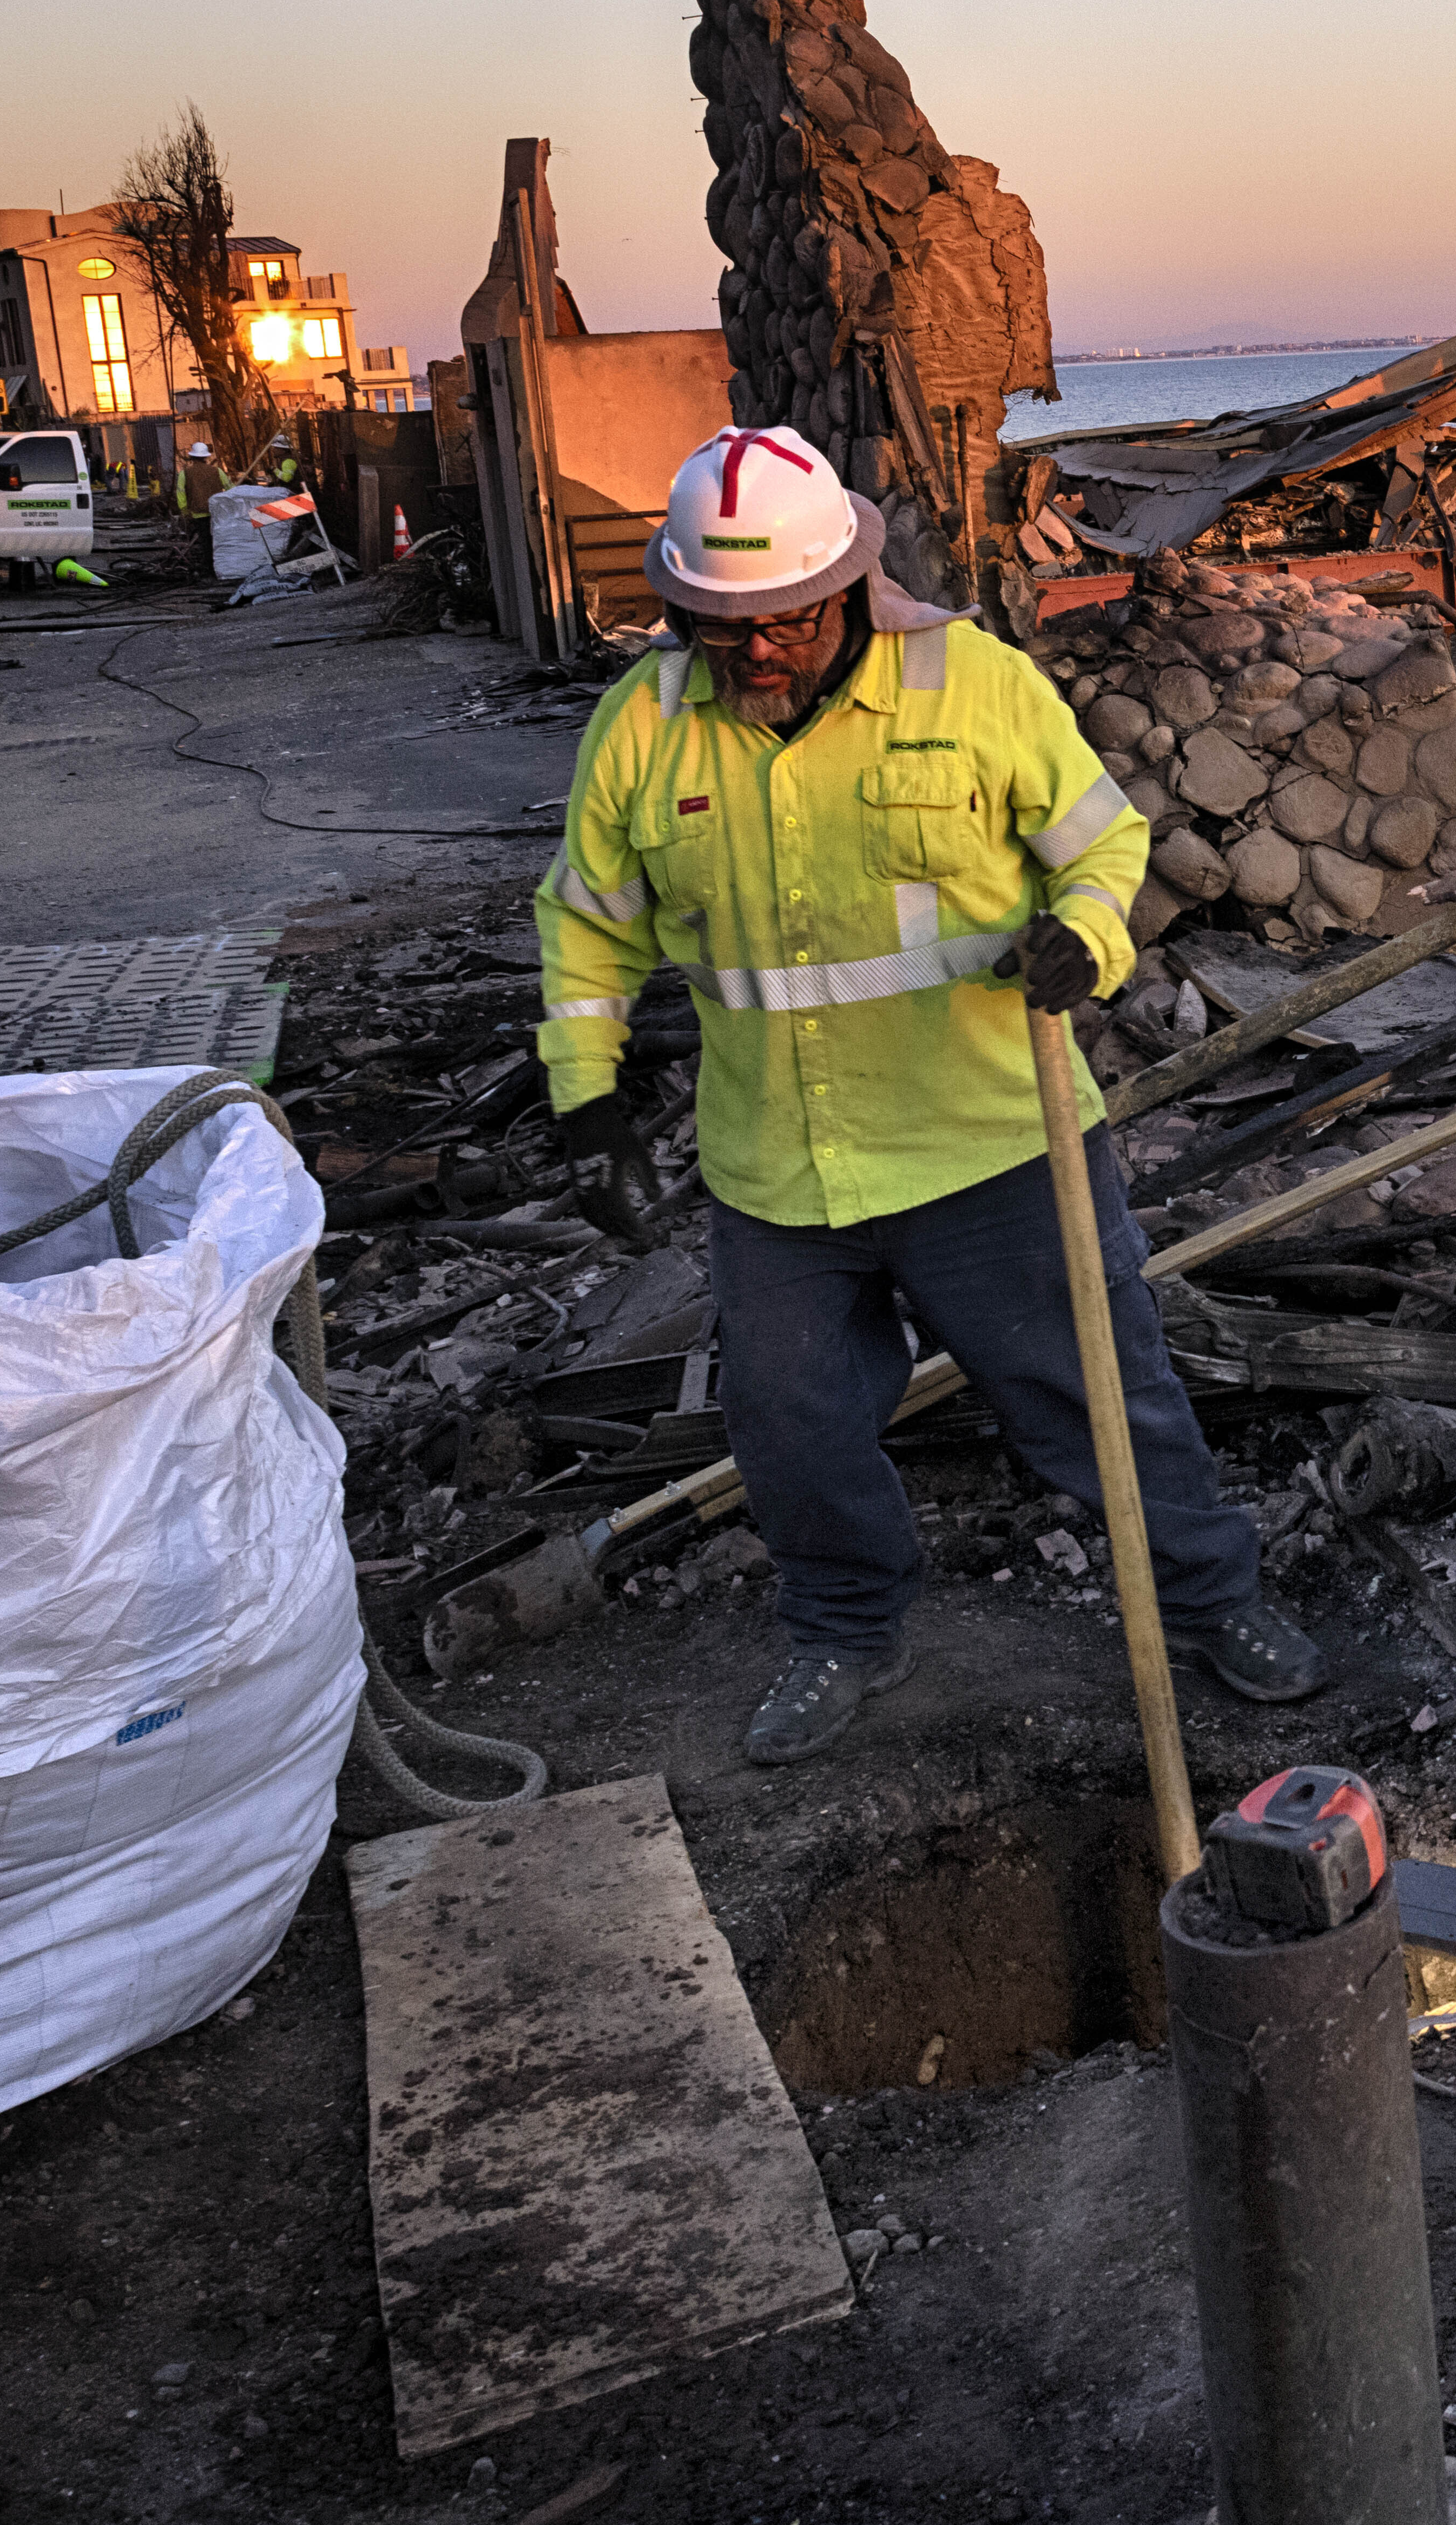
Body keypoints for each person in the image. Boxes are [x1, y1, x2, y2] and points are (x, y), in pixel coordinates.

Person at [531, 423, 1325, 1762]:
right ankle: (841, 1630)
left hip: (989, 1138)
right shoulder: (645, 727)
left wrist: (1088, 937)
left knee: (1098, 1391)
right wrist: (585, 1101)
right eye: (721, 626)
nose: (755, 653)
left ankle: (1210, 1599)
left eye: (778, 620)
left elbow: (1103, 843)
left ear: (843, 586)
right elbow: (589, 925)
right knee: (787, 1425)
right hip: (781, 1166)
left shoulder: (972, 684)